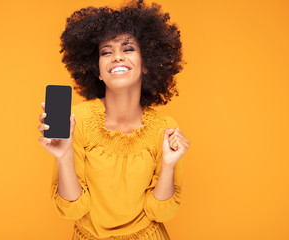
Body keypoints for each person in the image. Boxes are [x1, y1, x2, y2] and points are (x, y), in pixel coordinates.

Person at [38, 0, 190, 239]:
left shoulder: (165, 128)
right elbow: (73, 209)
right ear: (97, 69)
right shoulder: (77, 120)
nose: (117, 57)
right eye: (106, 52)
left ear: (146, 63)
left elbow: (162, 212)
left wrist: (169, 165)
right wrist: (63, 156)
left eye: (128, 49)